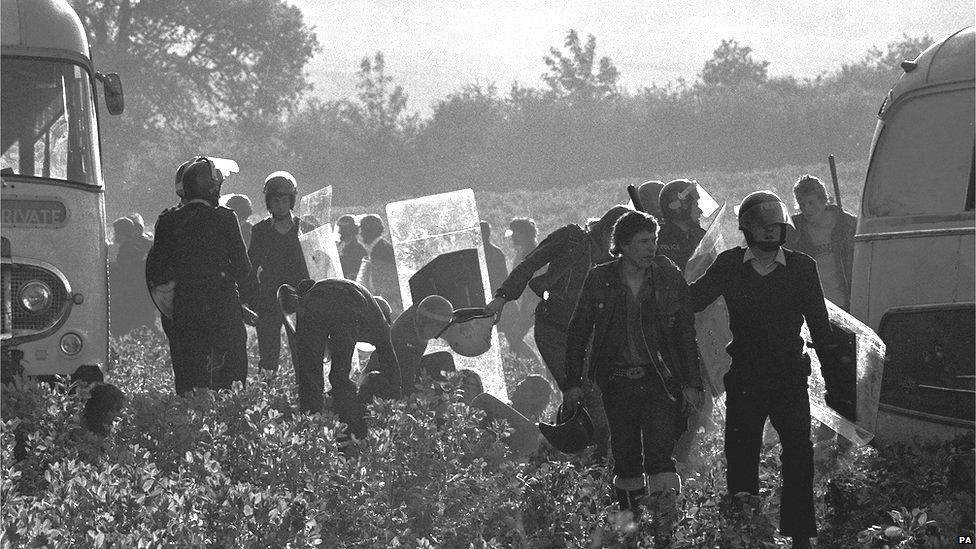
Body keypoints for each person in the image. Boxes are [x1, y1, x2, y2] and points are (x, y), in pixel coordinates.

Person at [688, 190, 839, 549]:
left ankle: (800, 534)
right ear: (747, 229)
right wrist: (662, 276)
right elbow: (691, 300)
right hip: (745, 378)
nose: (770, 232)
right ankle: (745, 531)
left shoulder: (803, 268)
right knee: (740, 453)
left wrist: (834, 384)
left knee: (799, 454)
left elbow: (820, 326)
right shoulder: (728, 265)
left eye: (776, 225)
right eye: (762, 226)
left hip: (790, 377)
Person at [561, 210, 702, 536]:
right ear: (622, 245)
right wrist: (572, 383)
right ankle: (632, 532)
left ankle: (665, 533)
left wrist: (692, 383)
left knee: (660, 458)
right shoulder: (599, 278)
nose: (651, 247)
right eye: (643, 241)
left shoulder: (668, 277)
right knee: (625, 460)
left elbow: (685, 333)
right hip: (617, 383)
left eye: (653, 240)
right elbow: (578, 331)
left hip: (660, 382)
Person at [486, 205, 631, 459]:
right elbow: (532, 263)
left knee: (589, 395)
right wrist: (502, 297)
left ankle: (567, 456)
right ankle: (571, 457)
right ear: (610, 232)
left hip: (587, 335)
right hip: (553, 330)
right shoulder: (571, 238)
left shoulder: (616, 262)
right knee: (584, 393)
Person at [146, 157, 250, 394]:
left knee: (190, 376)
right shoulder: (225, 217)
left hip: (185, 308)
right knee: (231, 374)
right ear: (211, 187)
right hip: (223, 307)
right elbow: (243, 269)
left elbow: (159, 269)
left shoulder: (167, 220)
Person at [291, 277, 400, 438]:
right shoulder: (380, 323)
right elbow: (391, 364)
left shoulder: (371, 312)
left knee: (309, 375)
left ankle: (309, 431)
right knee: (339, 377)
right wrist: (396, 400)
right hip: (347, 304)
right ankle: (350, 431)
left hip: (313, 301)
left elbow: (306, 357)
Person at [243, 171, 310, 373]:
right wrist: (248, 300)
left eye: (283, 200)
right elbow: (251, 266)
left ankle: (305, 392)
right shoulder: (260, 230)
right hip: (269, 297)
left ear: (291, 201)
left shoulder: (304, 228)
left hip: (298, 296)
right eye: (275, 200)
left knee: (302, 351)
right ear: (268, 202)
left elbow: (317, 262)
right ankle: (266, 393)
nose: (279, 204)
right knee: (268, 355)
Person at [785, 174, 857, 310]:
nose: (806, 209)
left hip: (848, 302)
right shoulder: (794, 231)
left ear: (823, 200)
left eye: (811, 203)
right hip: (813, 304)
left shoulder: (848, 224)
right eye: (802, 204)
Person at [366, 294, 454, 396]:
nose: (438, 335)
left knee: (444, 358)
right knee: (442, 361)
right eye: (437, 328)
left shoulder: (421, 313)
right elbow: (404, 380)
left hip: (400, 368)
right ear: (425, 321)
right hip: (384, 377)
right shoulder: (403, 340)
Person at [357, 214, 402, 316]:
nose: (360, 233)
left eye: (363, 229)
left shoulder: (381, 251)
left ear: (370, 231)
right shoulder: (378, 248)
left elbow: (384, 283)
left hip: (389, 304)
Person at [656, 179, 706, 271]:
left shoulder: (701, 235)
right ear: (680, 207)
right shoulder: (658, 239)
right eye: (695, 205)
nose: (700, 211)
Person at [336, 215, 367, 280]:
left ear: (351, 229)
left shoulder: (359, 249)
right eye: (340, 228)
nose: (340, 232)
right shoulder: (337, 246)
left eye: (343, 228)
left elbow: (361, 272)